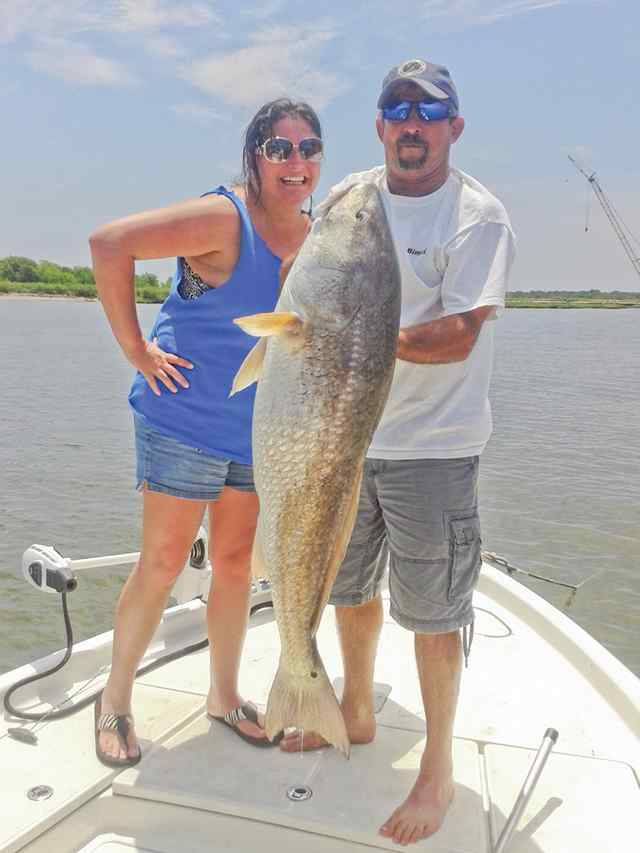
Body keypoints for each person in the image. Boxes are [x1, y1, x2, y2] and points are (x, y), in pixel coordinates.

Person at [279, 59, 515, 846]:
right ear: (379, 125)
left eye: (429, 112)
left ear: (453, 126)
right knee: (346, 585)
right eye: (397, 111)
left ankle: (437, 769)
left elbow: (461, 331)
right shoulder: (352, 199)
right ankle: (352, 705)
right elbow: (302, 277)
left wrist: (358, 341)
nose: (411, 126)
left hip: (434, 448)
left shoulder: (476, 217)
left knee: (434, 613)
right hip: (342, 437)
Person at [89, 98, 323, 766]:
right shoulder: (223, 216)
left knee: (234, 566)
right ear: (255, 155)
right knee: (162, 562)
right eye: (281, 148)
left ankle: (223, 696)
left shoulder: (313, 237)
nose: (297, 161)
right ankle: (115, 701)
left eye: (310, 148)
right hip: (182, 417)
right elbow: (109, 243)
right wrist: (136, 349)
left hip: (257, 430)